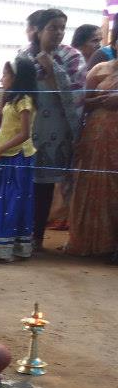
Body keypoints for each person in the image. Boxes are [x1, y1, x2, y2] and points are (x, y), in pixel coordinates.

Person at [18, 8, 85, 252]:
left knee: (44, 186)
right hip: (25, 128)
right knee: (21, 181)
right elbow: (13, 88)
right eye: (52, 27)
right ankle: (18, 234)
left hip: (53, 133)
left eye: (61, 28)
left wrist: (53, 69)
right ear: (38, 30)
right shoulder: (24, 55)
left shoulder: (71, 56)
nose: (58, 32)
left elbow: (78, 93)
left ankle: (36, 238)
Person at [0, 58, 38, 261]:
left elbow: (24, 134)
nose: (2, 78)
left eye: (6, 74)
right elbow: (2, 124)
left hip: (17, 157)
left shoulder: (25, 101)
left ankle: (7, 246)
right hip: (5, 156)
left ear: (18, 77)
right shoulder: (11, 98)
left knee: (10, 200)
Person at [66, 54, 118, 258]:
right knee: (94, 184)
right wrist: (102, 100)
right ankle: (91, 243)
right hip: (97, 138)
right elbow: (82, 102)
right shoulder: (99, 69)